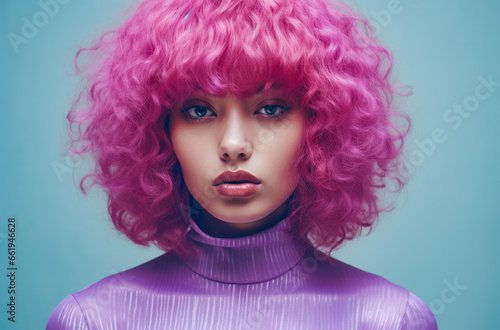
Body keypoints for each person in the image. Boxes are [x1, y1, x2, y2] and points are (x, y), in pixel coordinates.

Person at [47, 0, 438, 328]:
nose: (233, 145)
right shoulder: (95, 321)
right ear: (160, 132)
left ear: (321, 127)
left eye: (270, 108)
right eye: (199, 110)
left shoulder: (390, 320)